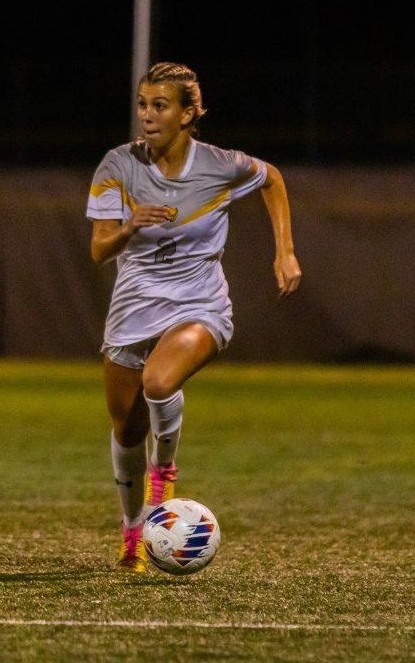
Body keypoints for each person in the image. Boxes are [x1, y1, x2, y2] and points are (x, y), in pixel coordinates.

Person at [86, 62, 302, 571]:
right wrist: (128, 228)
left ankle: (165, 471)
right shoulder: (118, 166)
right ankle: (132, 531)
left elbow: (271, 178)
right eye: (142, 104)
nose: (147, 115)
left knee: (160, 382)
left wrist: (285, 251)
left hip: (199, 304)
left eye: (160, 105)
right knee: (125, 429)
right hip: (134, 309)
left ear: (189, 113)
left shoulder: (219, 164)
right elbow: (99, 251)